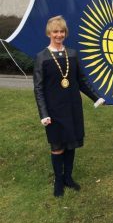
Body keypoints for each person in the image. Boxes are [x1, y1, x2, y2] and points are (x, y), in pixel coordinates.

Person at [33, 15, 105, 197]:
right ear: (49, 33)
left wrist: (95, 97)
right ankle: (58, 181)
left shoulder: (72, 54)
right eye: (55, 31)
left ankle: (68, 178)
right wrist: (43, 113)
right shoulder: (41, 57)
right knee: (57, 146)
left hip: (72, 108)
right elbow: (39, 88)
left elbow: (81, 80)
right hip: (54, 111)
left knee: (71, 145)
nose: (59, 35)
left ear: (66, 33)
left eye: (62, 31)